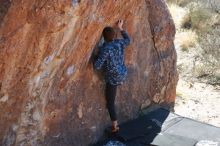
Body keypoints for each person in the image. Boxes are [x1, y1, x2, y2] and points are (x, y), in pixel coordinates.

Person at [93, 20, 131, 132]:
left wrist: (95, 56)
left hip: (113, 78)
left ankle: (115, 126)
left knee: (110, 103)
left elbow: (97, 66)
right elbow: (128, 40)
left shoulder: (105, 49)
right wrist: (121, 28)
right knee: (111, 99)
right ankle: (114, 124)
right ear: (114, 36)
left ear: (104, 38)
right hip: (122, 73)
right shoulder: (119, 43)